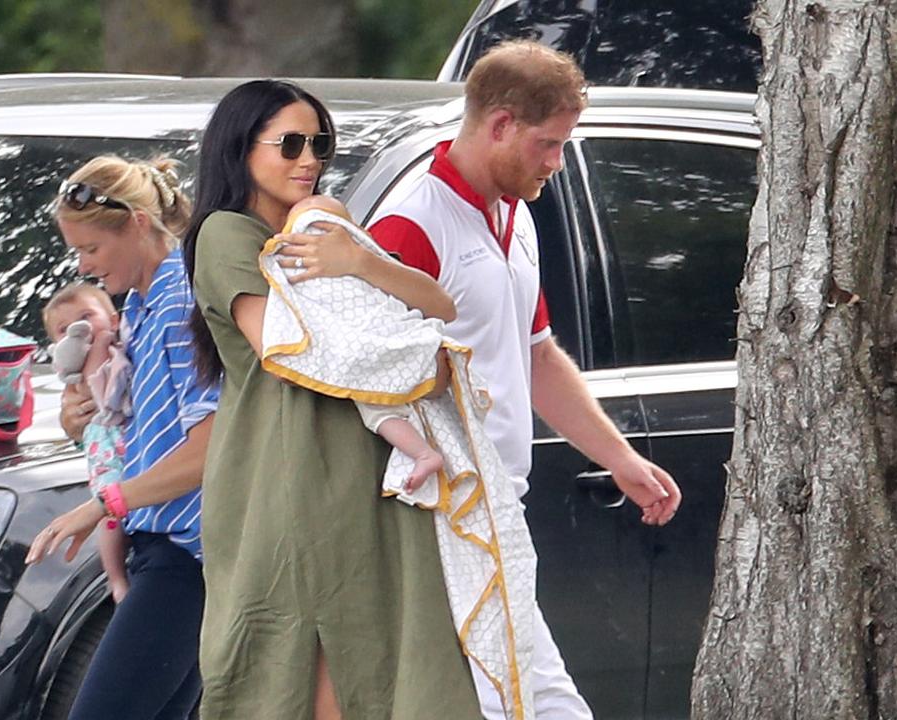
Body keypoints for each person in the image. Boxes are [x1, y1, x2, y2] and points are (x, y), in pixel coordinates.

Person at [368, 41, 684, 720]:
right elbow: (363, 378)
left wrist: (619, 457)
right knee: (530, 702)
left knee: (533, 700)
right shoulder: (410, 227)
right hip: (437, 519)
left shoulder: (517, 218)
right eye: (547, 144)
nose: (556, 162)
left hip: (498, 508)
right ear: (499, 123)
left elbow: (536, 356)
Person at [183, 78, 482, 720]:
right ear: (239, 148)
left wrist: (360, 262)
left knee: (382, 657)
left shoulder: (325, 227)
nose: (309, 160)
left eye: (320, 144)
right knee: (301, 668)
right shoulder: (225, 235)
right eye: (290, 143)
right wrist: (415, 362)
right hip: (287, 481)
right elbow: (289, 348)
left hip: (369, 474)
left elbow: (441, 305)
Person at [24, 155, 219, 720]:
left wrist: (103, 504)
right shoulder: (139, 305)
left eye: (91, 250)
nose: (84, 268)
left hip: (189, 553)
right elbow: (137, 419)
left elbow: (211, 446)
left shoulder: (183, 303)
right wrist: (79, 416)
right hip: (162, 547)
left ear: (137, 222)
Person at [269, 194, 442, 491]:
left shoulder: (359, 258)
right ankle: (424, 453)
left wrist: (359, 260)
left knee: (378, 407)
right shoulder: (284, 250)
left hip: (375, 332)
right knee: (377, 407)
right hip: (365, 344)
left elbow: (444, 307)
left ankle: (424, 453)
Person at [42, 281, 132, 604]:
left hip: (136, 454)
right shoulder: (74, 369)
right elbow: (87, 390)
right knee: (108, 513)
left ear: (114, 318)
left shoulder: (130, 346)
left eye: (86, 317)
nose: (78, 330)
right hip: (106, 450)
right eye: (64, 329)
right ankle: (116, 579)